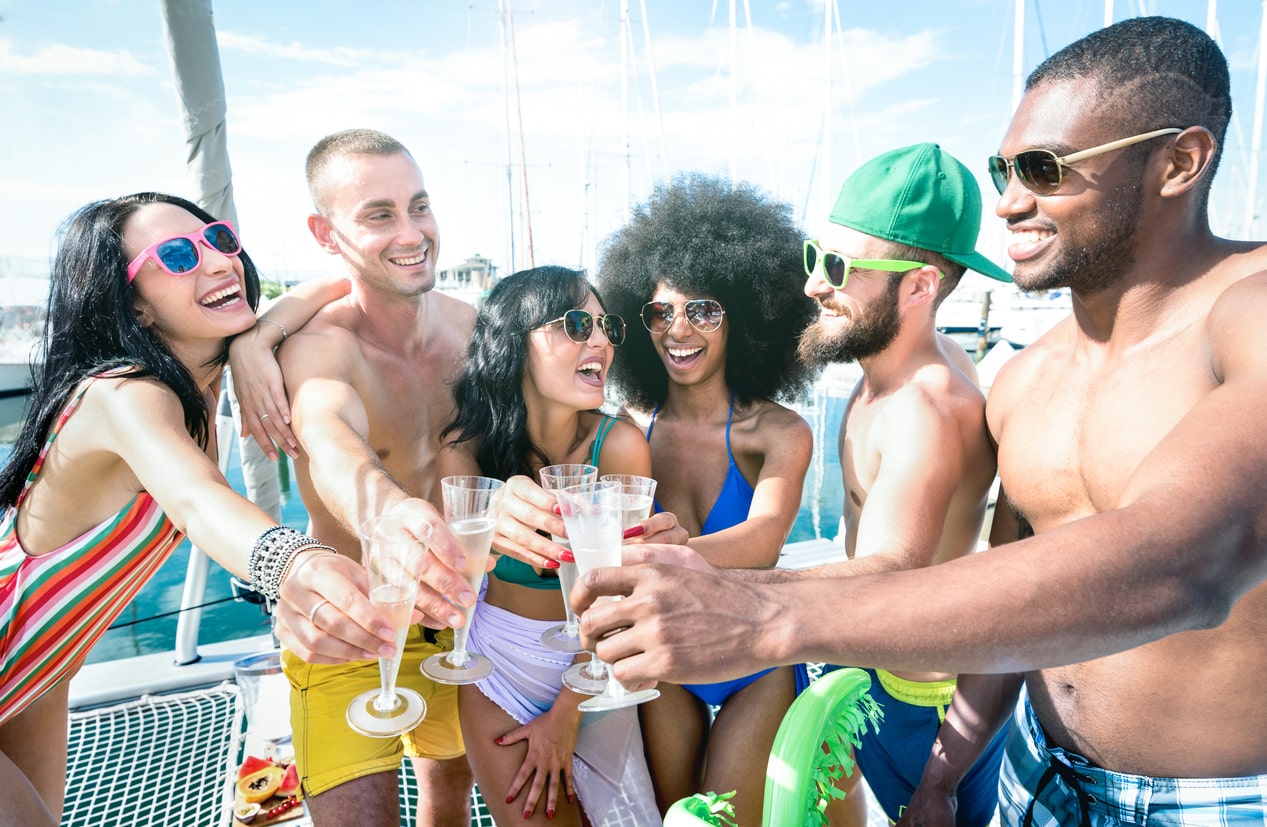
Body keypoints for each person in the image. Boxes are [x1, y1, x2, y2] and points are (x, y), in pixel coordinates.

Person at [574, 15, 1267, 826]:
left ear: (1177, 161)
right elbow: (1019, 599)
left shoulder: (1248, 311)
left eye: (1043, 169)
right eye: (1003, 168)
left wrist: (761, 609)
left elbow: (1189, 558)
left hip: (1215, 798)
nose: (1009, 202)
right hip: (1034, 775)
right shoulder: (1025, 378)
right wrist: (948, 770)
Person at [0, 192, 358, 826]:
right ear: (132, 302)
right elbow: (197, 502)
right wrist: (297, 564)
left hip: (37, 676)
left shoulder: (205, 374)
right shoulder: (120, 395)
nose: (217, 261)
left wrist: (258, 338)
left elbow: (337, 280)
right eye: (175, 255)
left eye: (219, 240)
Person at [230, 129, 480, 827]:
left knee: (449, 793)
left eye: (419, 206)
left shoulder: (474, 330)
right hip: (345, 624)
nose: (412, 232)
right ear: (324, 230)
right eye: (379, 214)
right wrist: (385, 518)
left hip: (458, 621)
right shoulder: (317, 349)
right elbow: (329, 437)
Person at [793, 143, 1014, 826]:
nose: (812, 283)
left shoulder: (926, 406)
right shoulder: (884, 363)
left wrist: (711, 590)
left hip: (916, 703)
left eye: (835, 266)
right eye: (812, 255)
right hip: (859, 662)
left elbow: (885, 575)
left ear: (918, 286)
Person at [595, 174, 817, 823]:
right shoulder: (629, 430)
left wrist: (673, 551)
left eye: (703, 309)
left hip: (753, 656)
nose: (678, 328)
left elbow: (764, 537)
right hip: (664, 654)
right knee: (675, 818)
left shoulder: (776, 432)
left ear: (743, 316)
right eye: (660, 311)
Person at [436, 265, 661, 826]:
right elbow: (457, 558)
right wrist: (496, 506)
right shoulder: (466, 450)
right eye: (579, 323)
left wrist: (568, 708)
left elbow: (624, 602)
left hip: (596, 669)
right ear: (516, 341)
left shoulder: (621, 444)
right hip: (497, 670)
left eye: (606, 326)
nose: (603, 341)